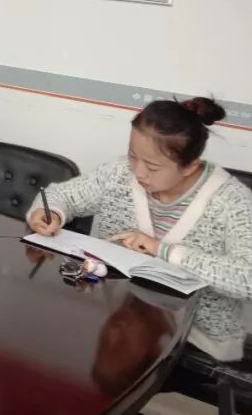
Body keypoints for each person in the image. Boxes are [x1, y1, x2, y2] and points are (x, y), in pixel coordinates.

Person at [28, 97, 252, 362]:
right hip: (124, 316)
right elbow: (62, 195)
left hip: (197, 341)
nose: (138, 172)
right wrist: (50, 212)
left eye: (152, 166)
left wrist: (164, 251)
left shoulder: (232, 202)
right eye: (133, 156)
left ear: (190, 166)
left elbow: (246, 278)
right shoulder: (119, 174)